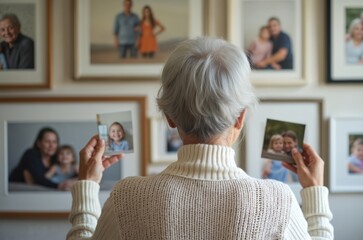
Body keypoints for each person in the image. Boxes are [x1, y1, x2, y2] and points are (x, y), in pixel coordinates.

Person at [67, 38, 333, 239]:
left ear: (169, 117)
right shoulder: (278, 200)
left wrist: (88, 187)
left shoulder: (127, 197)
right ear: (240, 118)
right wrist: (315, 194)